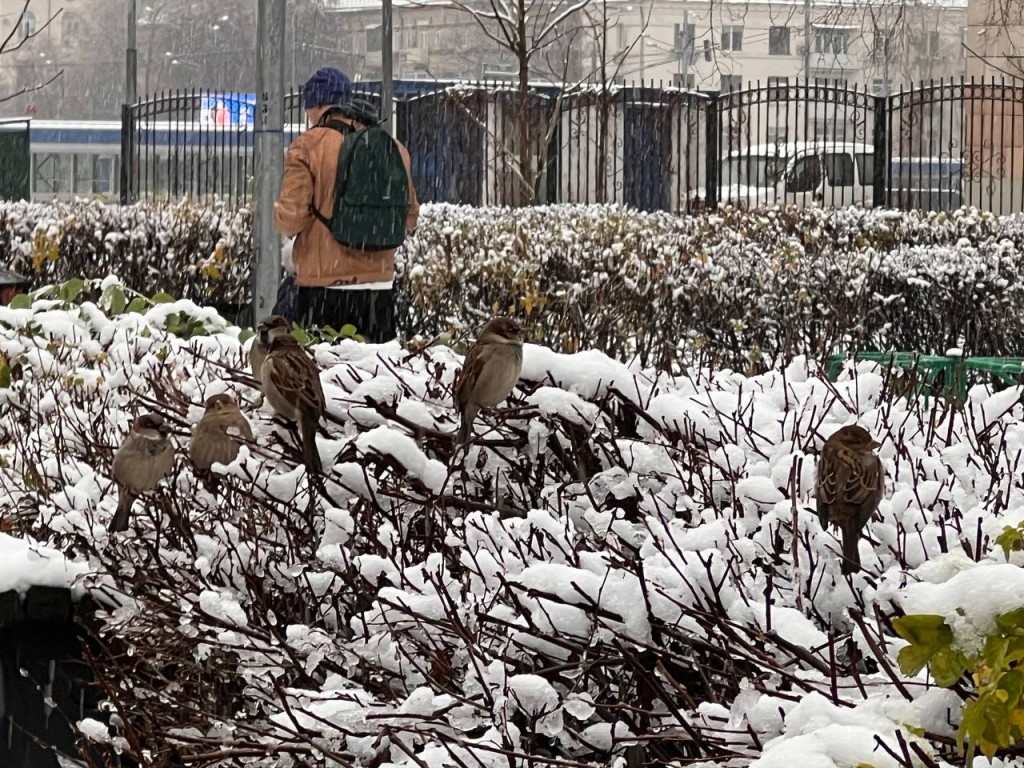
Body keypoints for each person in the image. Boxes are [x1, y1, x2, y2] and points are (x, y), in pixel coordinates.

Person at [273, 67, 419, 343]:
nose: (309, 117)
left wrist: (279, 213)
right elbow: (410, 217)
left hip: (323, 291)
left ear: (317, 106)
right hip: (379, 291)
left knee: (326, 378)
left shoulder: (307, 147)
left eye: (309, 109)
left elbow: (291, 218)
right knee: (375, 377)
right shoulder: (392, 147)